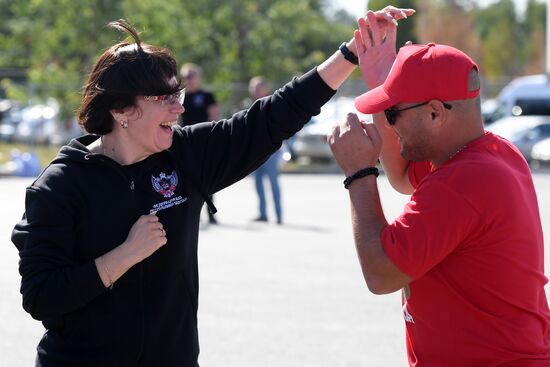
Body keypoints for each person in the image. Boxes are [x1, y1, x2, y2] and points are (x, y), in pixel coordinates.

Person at [11, 9, 412, 367]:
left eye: (178, 94)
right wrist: (124, 256)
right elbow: (41, 296)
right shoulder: (59, 187)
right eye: (163, 98)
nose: (179, 107)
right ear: (120, 111)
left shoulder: (185, 155)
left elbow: (271, 117)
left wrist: (350, 54)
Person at [328, 10, 550, 366]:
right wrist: (381, 79)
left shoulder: (462, 182)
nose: (388, 123)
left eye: (392, 113)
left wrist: (359, 172)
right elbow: (401, 175)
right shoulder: (490, 154)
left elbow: (381, 273)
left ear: (435, 113)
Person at [178, 63, 220, 224]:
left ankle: (211, 213)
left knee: (208, 178)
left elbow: (214, 116)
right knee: (188, 179)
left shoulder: (206, 95)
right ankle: (191, 215)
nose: (188, 79)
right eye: (185, 76)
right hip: (186, 142)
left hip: (204, 141)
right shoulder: (180, 97)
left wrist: (212, 138)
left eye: (191, 76)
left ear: (198, 77)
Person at [248, 76, 284, 224]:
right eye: (254, 88)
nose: (256, 90)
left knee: (273, 183)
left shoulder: (273, 103)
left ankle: (279, 214)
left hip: (271, 150)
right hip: (254, 151)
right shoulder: (248, 105)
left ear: (265, 88)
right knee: (257, 183)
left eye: (258, 87)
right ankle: (263, 213)